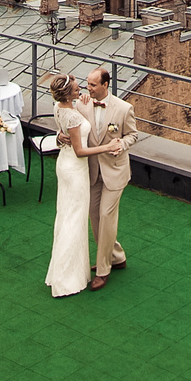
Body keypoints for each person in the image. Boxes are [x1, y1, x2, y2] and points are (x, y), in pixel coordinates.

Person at [42, 73, 117, 297]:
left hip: (66, 165)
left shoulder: (59, 107)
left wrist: (60, 135)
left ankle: (65, 273)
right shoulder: (72, 116)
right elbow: (80, 151)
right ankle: (66, 278)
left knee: (66, 216)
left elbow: (64, 133)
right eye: (76, 89)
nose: (81, 90)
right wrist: (107, 147)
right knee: (74, 219)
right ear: (67, 94)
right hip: (75, 170)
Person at [84, 66, 137, 278]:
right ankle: (116, 256)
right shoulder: (83, 105)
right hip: (93, 171)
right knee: (95, 216)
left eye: (93, 85)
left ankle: (103, 269)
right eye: (87, 84)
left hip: (115, 171)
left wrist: (121, 145)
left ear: (105, 85)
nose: (88, 88)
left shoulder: (124, 108)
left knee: (106, 215)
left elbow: (132, 135)